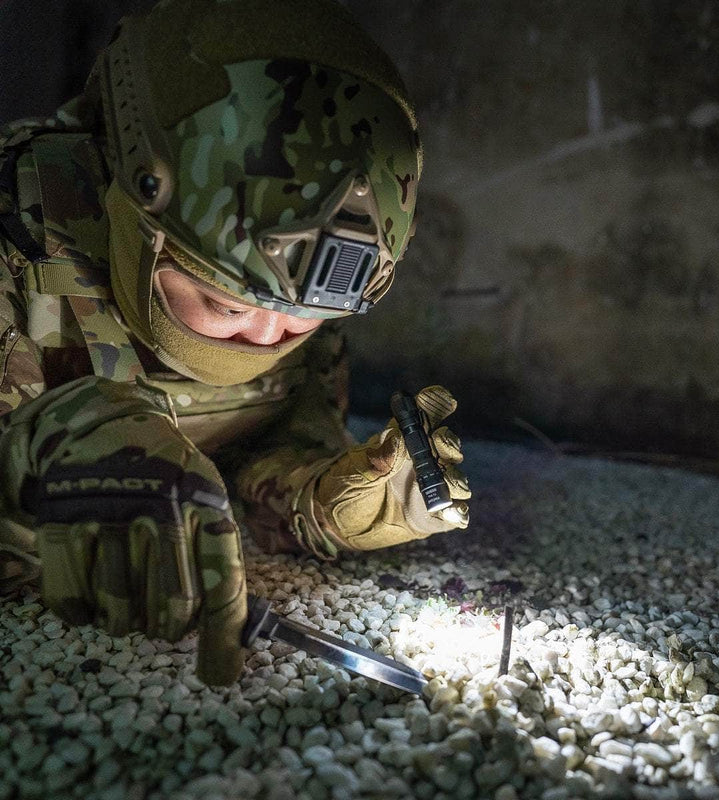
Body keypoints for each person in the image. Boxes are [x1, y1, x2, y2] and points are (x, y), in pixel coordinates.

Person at [0, 0, 470, 685]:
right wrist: (39, 462)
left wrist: (327, 496)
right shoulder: (17, 238)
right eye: (223, 304)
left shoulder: (292, 296)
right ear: (136, 207)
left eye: (303, 321)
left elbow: (254, 445)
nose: (265, 336)